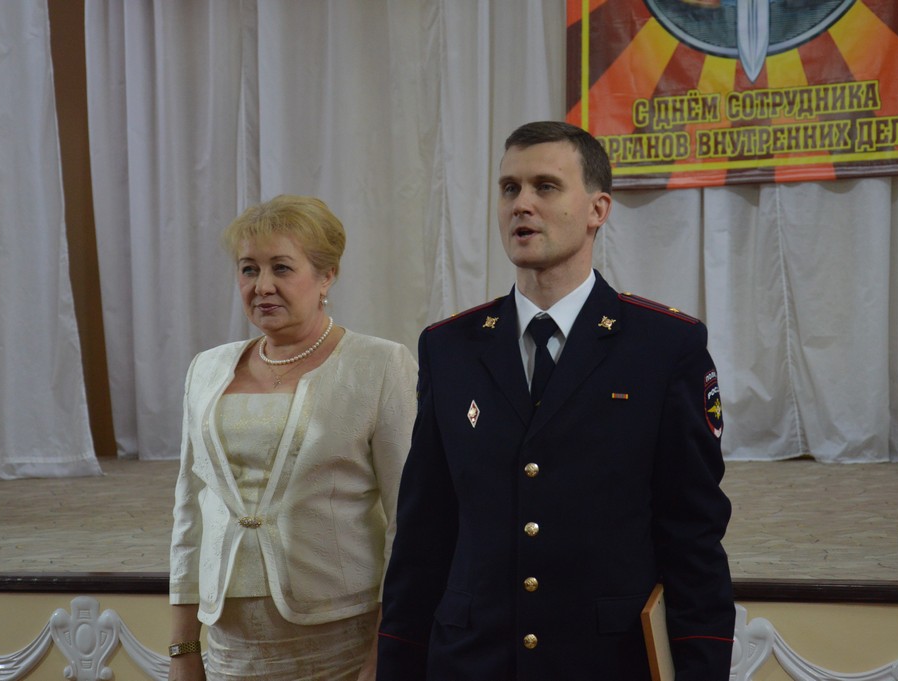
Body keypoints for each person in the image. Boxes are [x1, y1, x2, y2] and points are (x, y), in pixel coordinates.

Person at [377, 121, 734, 680]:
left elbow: (692, 537)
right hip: (472, 662)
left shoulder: (663, 347)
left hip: (604, 663)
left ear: (597, 209)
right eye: (509, 189)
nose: (521, 204)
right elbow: (423, 535)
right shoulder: (449, 348)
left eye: (545, 187)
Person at [168, 195, 417, 681]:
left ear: (327, 276)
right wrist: (183, 650)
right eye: (248, 269)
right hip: (229, 651)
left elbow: (408, 523)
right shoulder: (206, 369)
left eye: (281, 268)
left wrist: (385, 652)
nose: (262, 286)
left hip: (340, 647)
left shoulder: (381, 365)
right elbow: (189, 514)